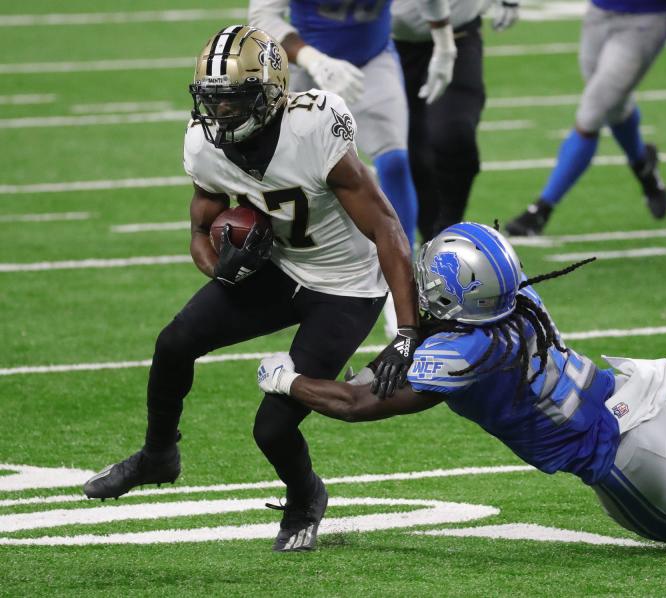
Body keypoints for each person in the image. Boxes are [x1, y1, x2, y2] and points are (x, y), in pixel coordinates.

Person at [257, 222, 666, 550]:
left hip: (614, 456)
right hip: (632, 398)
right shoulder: (519, 299)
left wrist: (289, 380)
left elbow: (360, 401)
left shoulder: (461, 350)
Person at [83, 26, 422, 553]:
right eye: (211, 101)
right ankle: (158, 455)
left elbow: (386, 227)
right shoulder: (205, 145)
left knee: (272, 428)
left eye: (233, 101)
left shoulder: (313, 129)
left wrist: (406, 331)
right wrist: (220, 270)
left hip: (346, 286)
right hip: (281, 267)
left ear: (269, 95)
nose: (219, 115)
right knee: (174, 342)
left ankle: (306, 496)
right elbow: (200, 231)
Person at [249, 0, 458, 245]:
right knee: (287, 169)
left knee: (395, 163)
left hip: (373, 59)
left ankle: (404, 262)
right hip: (303, 66)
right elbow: (262, 19)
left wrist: (445, 44)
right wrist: (314, 60)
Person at [504, 0, 666, 237]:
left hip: (646, 18)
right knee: (613, 105)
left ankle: (541, 209)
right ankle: (643, 166)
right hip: (599, 12)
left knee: (591, 114)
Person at [393, 0, 520, 241]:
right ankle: (431, 240)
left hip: (458, 31)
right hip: (387, 44)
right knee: (407, 156)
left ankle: (447, 229)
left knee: (454, 134)